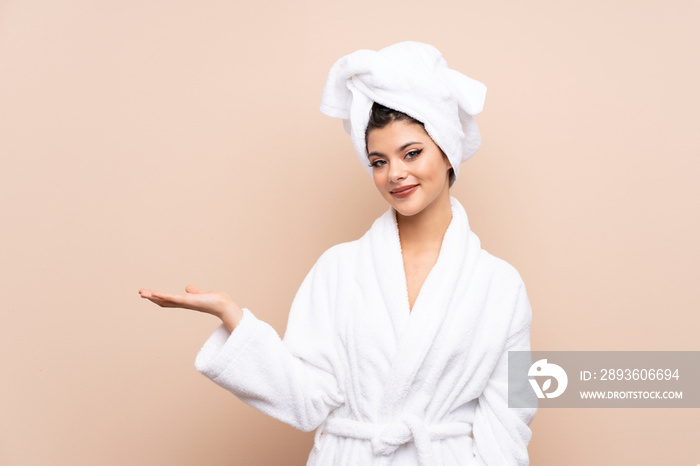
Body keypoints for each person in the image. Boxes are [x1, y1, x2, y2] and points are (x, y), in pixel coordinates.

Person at [139, 41, 536, 465]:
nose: (395, 174)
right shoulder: (339, 269)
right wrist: (233, 317)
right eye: (378, 161)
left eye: (412, 153)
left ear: (447, 150)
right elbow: (307, 400)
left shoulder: (500, 286)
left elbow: (509, 421)